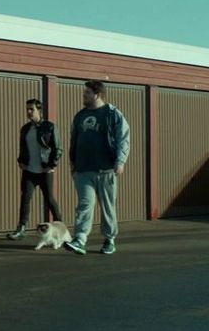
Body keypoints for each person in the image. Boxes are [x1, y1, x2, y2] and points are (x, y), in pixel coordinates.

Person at [64, 80, 130, 255]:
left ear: (97, 95)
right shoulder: (80, 116)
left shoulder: (112, 113)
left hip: (106, 169)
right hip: (83, 170)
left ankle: (109, 239)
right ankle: (80, 239)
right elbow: (74, 139)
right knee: (84, 204)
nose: (84, 95)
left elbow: (123, 137)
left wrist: (120, 161)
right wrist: (73, 164)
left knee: (107, 207)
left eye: (87, 93)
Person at [7, 98, 63, 240]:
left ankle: (61, 228)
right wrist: (21, 161)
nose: (29, 112)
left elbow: (57, 148)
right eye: (27, 109)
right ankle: (21, 229)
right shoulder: (25, 129)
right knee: (25, 198)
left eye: (31, 109)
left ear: (39, 110)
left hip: (45, 170)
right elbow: (23, 148)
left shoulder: (49, 127)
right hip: (29, 171)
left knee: (49, 199)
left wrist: (51, 165)